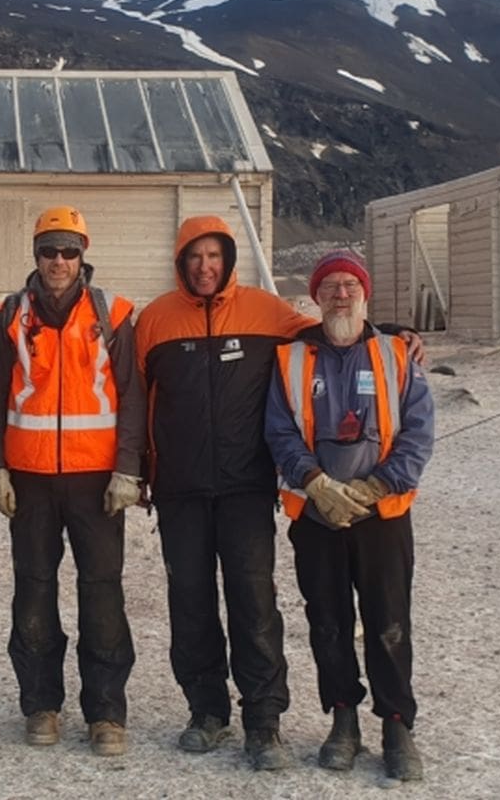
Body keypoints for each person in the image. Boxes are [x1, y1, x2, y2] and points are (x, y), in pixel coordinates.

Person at [133, 214, 312, 770]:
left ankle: (263, 720)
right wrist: (138, 470)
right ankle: (206, 710)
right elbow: (136, 400)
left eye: (214, 256)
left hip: (246, 486)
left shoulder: (266, 310)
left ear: (228, 260)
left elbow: (326, 334)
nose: (205, 267)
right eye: (195, 257)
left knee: (253, 600)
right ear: (181, 261)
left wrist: (393, 333)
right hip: (179, 489)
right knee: (189, 600)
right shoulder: (155, 320)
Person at [264, 248, 436, 782]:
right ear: (314, 297)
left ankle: (396, 722)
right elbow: (279, 430)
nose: (341, 294)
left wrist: (379, 484)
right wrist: (315, 483)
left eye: (350, 285)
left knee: (388, 622)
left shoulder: (398, 354)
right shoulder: (290, 359)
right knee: (329, 622)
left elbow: (419, 429)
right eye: (330, 286)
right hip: (318, 517)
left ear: (366, 294)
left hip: (382, 515)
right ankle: (343, 719)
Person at [0, 205, 146, 756]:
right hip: (28, 479)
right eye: (49, 250)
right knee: (34, 588)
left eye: (69, 250)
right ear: (36, 254)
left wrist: (129, 468)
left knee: (101, 593)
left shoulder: (113, 313)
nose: (59, 260)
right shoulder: (10, 314)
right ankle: (41, 705)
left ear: (84, 254)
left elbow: (133, 397)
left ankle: (105, 712)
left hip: (97, 481)